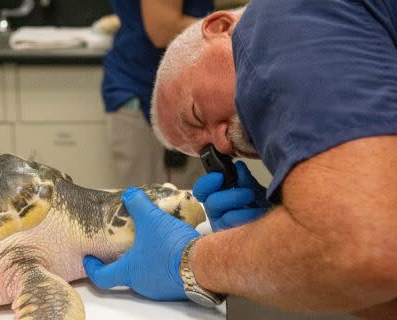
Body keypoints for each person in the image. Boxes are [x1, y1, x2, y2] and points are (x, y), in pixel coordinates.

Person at [86, 1, 397, 319]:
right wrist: (280, 240)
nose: (223, 141)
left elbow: (366, 251)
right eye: (220, 153)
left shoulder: (280, 17)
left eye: (196, 114)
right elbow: (382, 284)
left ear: (219, 27)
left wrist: (191, 262)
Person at [102, 0, 213, 189]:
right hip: (149, 92)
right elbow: (163, 30)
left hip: (166, 86)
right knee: (157, 204)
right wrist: (232, 26)